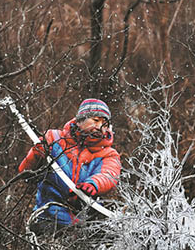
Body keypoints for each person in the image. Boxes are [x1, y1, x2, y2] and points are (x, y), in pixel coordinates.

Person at [19, 98, 121, 235]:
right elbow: (25, 173)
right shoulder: (52, 139)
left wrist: (93, 184)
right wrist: (36, 154)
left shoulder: (109, 154)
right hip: (47, 218)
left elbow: (109, 174)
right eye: (96, 120)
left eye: (105, 123)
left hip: (85, 224)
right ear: (80, 120)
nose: (100, 127)